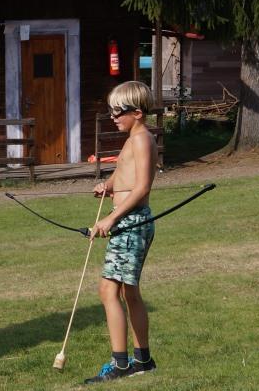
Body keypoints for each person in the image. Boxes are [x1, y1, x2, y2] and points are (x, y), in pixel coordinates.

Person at [85, 80, 159, 384]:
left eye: (118, 111)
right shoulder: (133, 139)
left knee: (108, 291)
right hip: (129, 222)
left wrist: (110, 218)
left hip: (131, 223)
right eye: (111, 110)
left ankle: (121, 365)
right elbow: (122, 175)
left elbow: (142, 188)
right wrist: (108, 185)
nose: (113, 117)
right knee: (129, 292)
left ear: (137, 113)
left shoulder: (142, 140)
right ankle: (143, 361)